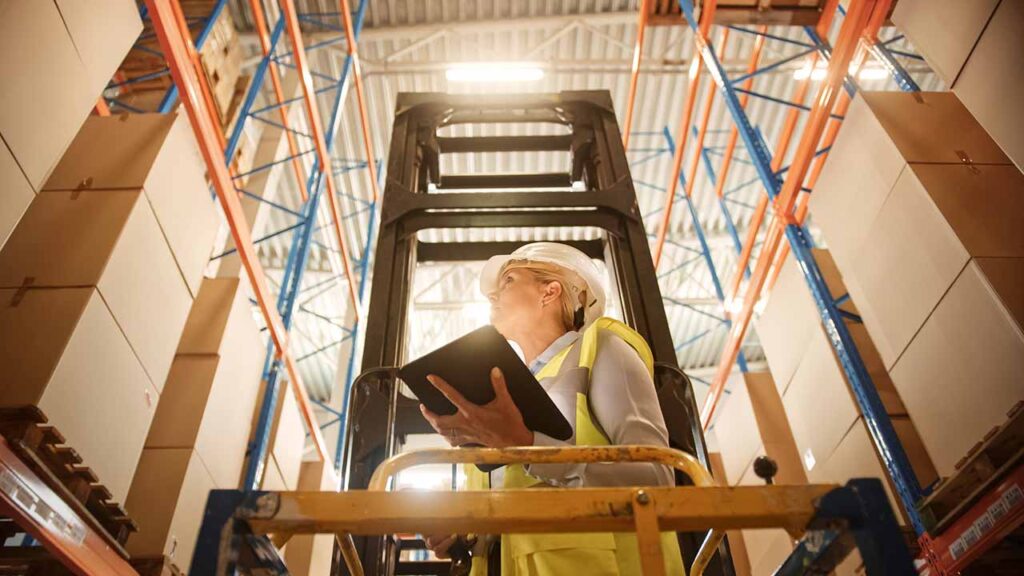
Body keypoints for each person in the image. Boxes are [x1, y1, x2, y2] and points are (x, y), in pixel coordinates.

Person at [418, 242, 685, 576]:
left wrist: (528, 447)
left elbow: (656, 479)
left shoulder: (600, 348)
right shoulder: (506, 396)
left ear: (550, 291)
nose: (492, 296)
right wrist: (463, 532)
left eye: (509, 280)